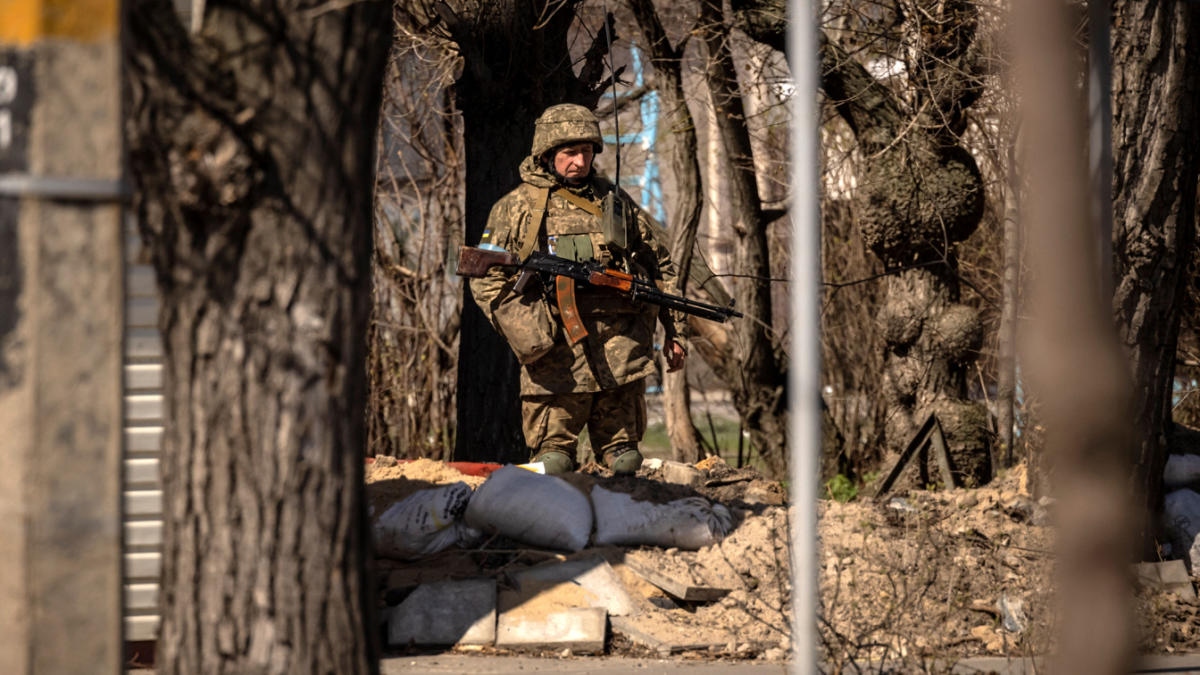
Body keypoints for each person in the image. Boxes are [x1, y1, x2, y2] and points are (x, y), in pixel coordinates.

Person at [470, 103, 689, 476]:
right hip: (556, 360)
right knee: (552, 464)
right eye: (570, 152)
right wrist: (528, 330)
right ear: (547, 154)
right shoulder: (517, 207)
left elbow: (662, 265)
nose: (579, 162)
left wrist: (676, 331)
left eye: (586, 152)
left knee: (625, 461)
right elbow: (485, 275)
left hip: (619, 357)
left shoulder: (614, 204)